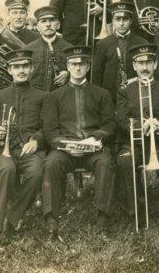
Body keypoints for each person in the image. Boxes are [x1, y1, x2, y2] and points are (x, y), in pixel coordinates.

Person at [42, 46, 116, 236]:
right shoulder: (54, 96)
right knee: (51, 163)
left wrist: (95, 138)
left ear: (88, 67)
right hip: (65, 150)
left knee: (106, 162)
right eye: (74, 64)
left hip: (93, 149)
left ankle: (103, 218)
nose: (77, 68)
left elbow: (110, 125)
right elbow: (50, 131)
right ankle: (51, 219)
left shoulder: (102, 94)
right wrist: (65, 145)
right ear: (68, 66)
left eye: (82, 64)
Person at [0, 50, 46, 252]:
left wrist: (37, 140)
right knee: (6, 170)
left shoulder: (43, 95)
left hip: (29, 151)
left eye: (25, 66)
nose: (21, 71)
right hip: (4, 151)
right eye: (16, 67)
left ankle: (11, 219)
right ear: (9, 70)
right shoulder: (0, 95)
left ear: (31, 69)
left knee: (36, 173)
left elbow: (48, 127)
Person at [116, 44, 159, 225]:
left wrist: (158, 123)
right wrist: (141, 125)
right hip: (133, 143)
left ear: (155, 65)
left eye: (149, 63)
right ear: (134, 66)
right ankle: (134, 211)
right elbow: (122, 119)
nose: (145, 68)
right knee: (124, 163)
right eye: (140, 63)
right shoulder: (124, 90)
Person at [92, 1, 148, 103]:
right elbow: (96, 75)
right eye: (118, 19)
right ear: (113, 20)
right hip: (108, 97)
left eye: (125, 19)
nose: (121, 23)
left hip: (135, 96)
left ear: (131, 21)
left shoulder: (142, 43)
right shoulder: (102, 44)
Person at [25, 6, 71, 92]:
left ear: (58, 25)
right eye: (43, 21)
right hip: (35, 100)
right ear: (38, 27)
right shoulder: (28, 49)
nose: (48, 24)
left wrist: (69, 74)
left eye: (52, 20)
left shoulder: (69, 49)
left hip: (60, 98)